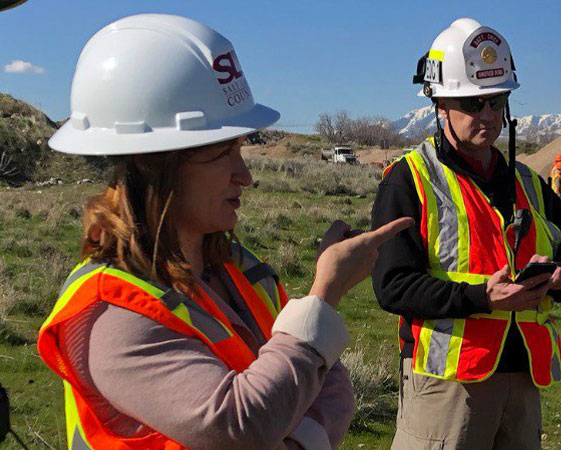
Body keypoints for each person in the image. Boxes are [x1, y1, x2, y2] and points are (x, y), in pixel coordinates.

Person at [36, 14, 412, 449]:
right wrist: (323, 297)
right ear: (155, 163)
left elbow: (331, 384)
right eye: (222, 153)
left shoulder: (236, 269)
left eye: (241, 148)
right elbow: (240, 426)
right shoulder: (110, 314)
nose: (244, 175)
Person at [373, 18, 561, 449]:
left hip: (523, 381)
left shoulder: (529, 183)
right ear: (440, 105)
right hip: (447, 387)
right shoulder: (408, 180)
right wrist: (481, 299)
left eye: (496, 102)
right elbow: (392, 285)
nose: (488, 116)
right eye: (473, 104)